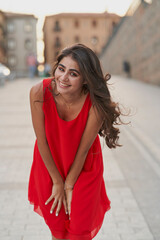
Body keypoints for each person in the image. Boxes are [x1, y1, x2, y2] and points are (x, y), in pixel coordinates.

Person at [28, 43, 125, 240]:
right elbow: (42, 141)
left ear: (86, 80)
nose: (63, 78)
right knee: (58, 230)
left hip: (84, 168)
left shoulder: (94, 105)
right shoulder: (38, 93)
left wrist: (69, 184)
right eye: (61, 69)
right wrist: (57, 181)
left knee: (78, 232)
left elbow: (82, 151)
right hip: (50, 163)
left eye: (73, 74)